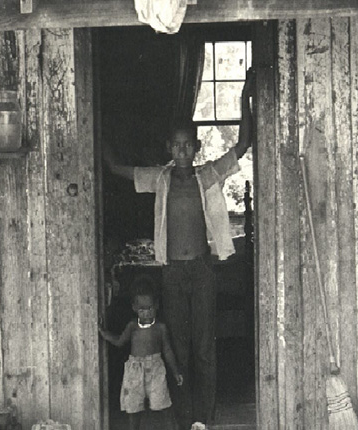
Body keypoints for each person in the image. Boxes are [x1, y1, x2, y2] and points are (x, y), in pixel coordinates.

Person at [104, 70, 255, 428]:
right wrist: (102, 123)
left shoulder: (207, 175)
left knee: (205, 349)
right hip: (172, 272)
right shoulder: (160, 179)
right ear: (169, 149)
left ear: (197, 147)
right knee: (180, 349)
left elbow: (244, 143)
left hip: (202, 271)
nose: (183, 150)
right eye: (177, 145)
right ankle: (184, 420)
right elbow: (115, 168)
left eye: (189, 144)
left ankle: (207, 418)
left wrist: (246, 94)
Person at [99, 275, 184, 430]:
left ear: (156, 305)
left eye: (150, 308)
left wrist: (175, 372)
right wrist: (104, 333)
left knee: (163, 402)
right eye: (142, 310)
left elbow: (167, 350)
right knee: (133, 407)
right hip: (134, 370)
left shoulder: (160, 328)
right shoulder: (132, 326)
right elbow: (119, 341)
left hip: (156, 369)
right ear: (134, 308)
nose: (146, 313)